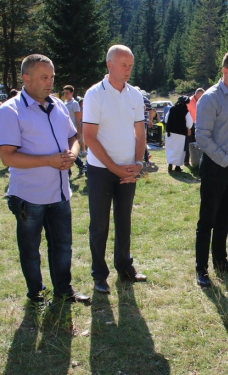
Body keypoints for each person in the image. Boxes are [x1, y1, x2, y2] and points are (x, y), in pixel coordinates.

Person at [0, 54, 90, 305]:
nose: (50, 83)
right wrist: (48, 160)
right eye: (44, 77)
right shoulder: (9, 111)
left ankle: (64, 289)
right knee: (30, 249)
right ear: (26, 79)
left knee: (63, 245)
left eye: (52, 77)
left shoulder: (59, 105)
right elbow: (7, 157)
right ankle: (36, 292)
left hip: (60, 193)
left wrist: (72, 153)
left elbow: (74, 137)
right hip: (29, 195)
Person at [83, 45, 147, 294]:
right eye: (123, 64)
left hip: (129, 168)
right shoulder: (94, 95)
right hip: (101, 169)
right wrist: (115, 169)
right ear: (109, 64)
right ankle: (99, 274)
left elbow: (140, 134)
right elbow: (90, 138)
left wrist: (138, 164)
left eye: (131, 65)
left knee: (124, 220)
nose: (128, 69)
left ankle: (124, 266)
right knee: (99, 224)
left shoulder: (135, 95)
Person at [194, 51, 228, 287]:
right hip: (216, 167)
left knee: (225, 219)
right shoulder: (210, 98)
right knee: (207, 220)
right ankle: (202, 269)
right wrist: (227, 160)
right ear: (225, 71)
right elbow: (202, 137)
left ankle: (220, 262)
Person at [165, 95, 193, 173]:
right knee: (179, 150)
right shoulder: (185, 111)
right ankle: (177, 166)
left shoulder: (172, 109)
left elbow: (166, 119)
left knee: (171, 148)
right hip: (180, 133)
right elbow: (189, 123)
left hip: (170, 132)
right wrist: (188, 128)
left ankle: (170, 164)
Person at [63, 85, 85, 176]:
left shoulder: (74, 104)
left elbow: (78, 118)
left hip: (74, 131)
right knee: (66, 151)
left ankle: (81, 166)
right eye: (64, 93)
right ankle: (68, 171)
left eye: (67, 93)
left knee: (71, 151)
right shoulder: (64, 103)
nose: (65, 95)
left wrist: (79, 132)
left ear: (72, 93)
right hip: (65, 131)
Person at [185, 88, 205, 166]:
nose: (202, 96)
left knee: (197, 143)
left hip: (199, 124)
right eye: (201, 95)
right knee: (188, 142)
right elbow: (185, 115)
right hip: (190, 125)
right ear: (197, 94)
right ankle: (186, 160)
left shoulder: (203, 101)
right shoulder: (189, 101)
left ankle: (197, 160)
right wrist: (187, 127)